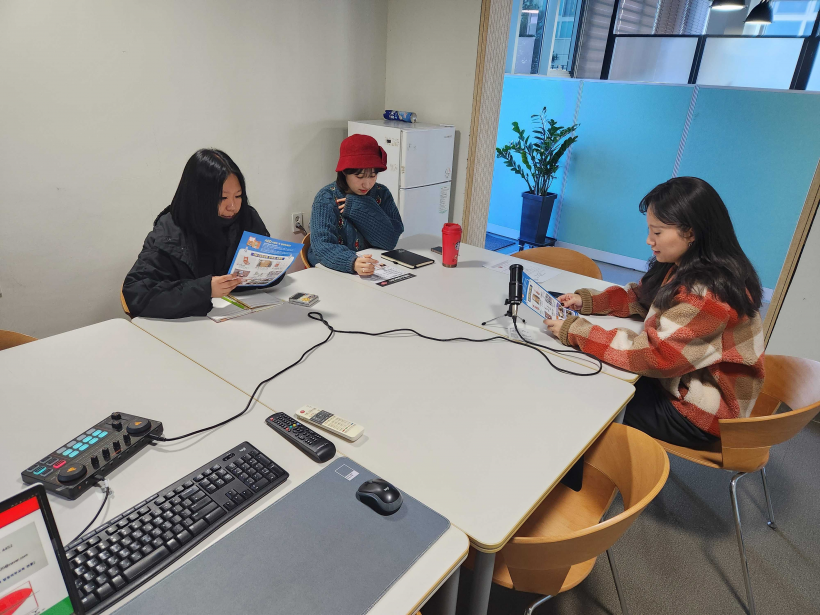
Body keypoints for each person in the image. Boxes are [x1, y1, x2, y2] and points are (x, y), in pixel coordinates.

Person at [545, 177, 765, 447]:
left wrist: (577, 330)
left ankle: (597, 467)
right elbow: (642, 295)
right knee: (591, 372)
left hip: (703, 412)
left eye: (657, 232)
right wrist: (587, 301)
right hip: (683, 379)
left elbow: (656, 356)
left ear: (691, 233)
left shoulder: (709, 294)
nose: (649, 240)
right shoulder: (686, 263)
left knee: (586, 394)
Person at [123, 149, 275, 318]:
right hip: (189, 325)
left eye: (238, 196)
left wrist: (273, 271)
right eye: (222, 198)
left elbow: (265, 270)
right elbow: (137, 294)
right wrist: (205, 289)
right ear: (198, 197)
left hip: (243, 316)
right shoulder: (171, 231)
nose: (233, 206)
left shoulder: (246, 218)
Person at [308, 134, 404, 274]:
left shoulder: (381, 193)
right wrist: (352, 262)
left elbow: (389, 241)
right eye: (359, 176)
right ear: (344, 172)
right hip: (333, 271)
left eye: (373, 175)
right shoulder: (326, 198)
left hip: (372, 267)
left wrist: (361, 206)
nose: (367, 184)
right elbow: (322, 246)